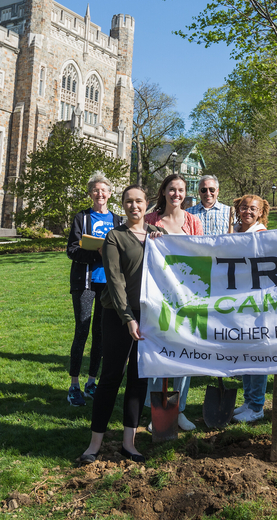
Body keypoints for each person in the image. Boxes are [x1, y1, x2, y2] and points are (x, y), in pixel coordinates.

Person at [78, 185, 164, 464]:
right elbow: (115, 282)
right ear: (123, 205)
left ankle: (129, 442)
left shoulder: (155, 236)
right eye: (128, 201)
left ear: (147, 203)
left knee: (139, 378)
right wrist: (128, 318)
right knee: (111, 377)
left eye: (139, 201)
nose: (134, 206)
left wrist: (162, 241)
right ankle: (94, 444)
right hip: (117, 314)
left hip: (148, 314)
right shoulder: (115, 236)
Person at [144, 174, 204, 432]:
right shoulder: (150, 221)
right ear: (164, 191)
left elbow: (202, 255)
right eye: (171, 189)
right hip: (157, 294)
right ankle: (156, 411)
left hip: (186, 295)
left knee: (184, 351)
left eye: (180, 190)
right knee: (157, 350)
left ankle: (179, 409)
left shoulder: (193, 221)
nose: (176, 194)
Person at [65, 172, 123, 406]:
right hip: (86, 284)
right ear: (90, 194)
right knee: (82, 330)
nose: (100, 194)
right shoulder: (82, 218)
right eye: (95, 190)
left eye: (104, 190)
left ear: (110, 194)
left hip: (109, 286)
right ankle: (74, 385)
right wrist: (96, 252)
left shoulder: (118, 221)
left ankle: (91, 381)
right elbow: (71, 249)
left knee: (101, 334)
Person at [229, 194, 271, 424]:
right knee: (245, 350)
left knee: (256, 351)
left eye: (253, 209)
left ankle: (257, 405)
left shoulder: (261, 235)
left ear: (260, 212)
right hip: (237, 298)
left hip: (256, 301)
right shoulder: (233, 230)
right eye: (244, 207)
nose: (247, 212)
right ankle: (248, 400)